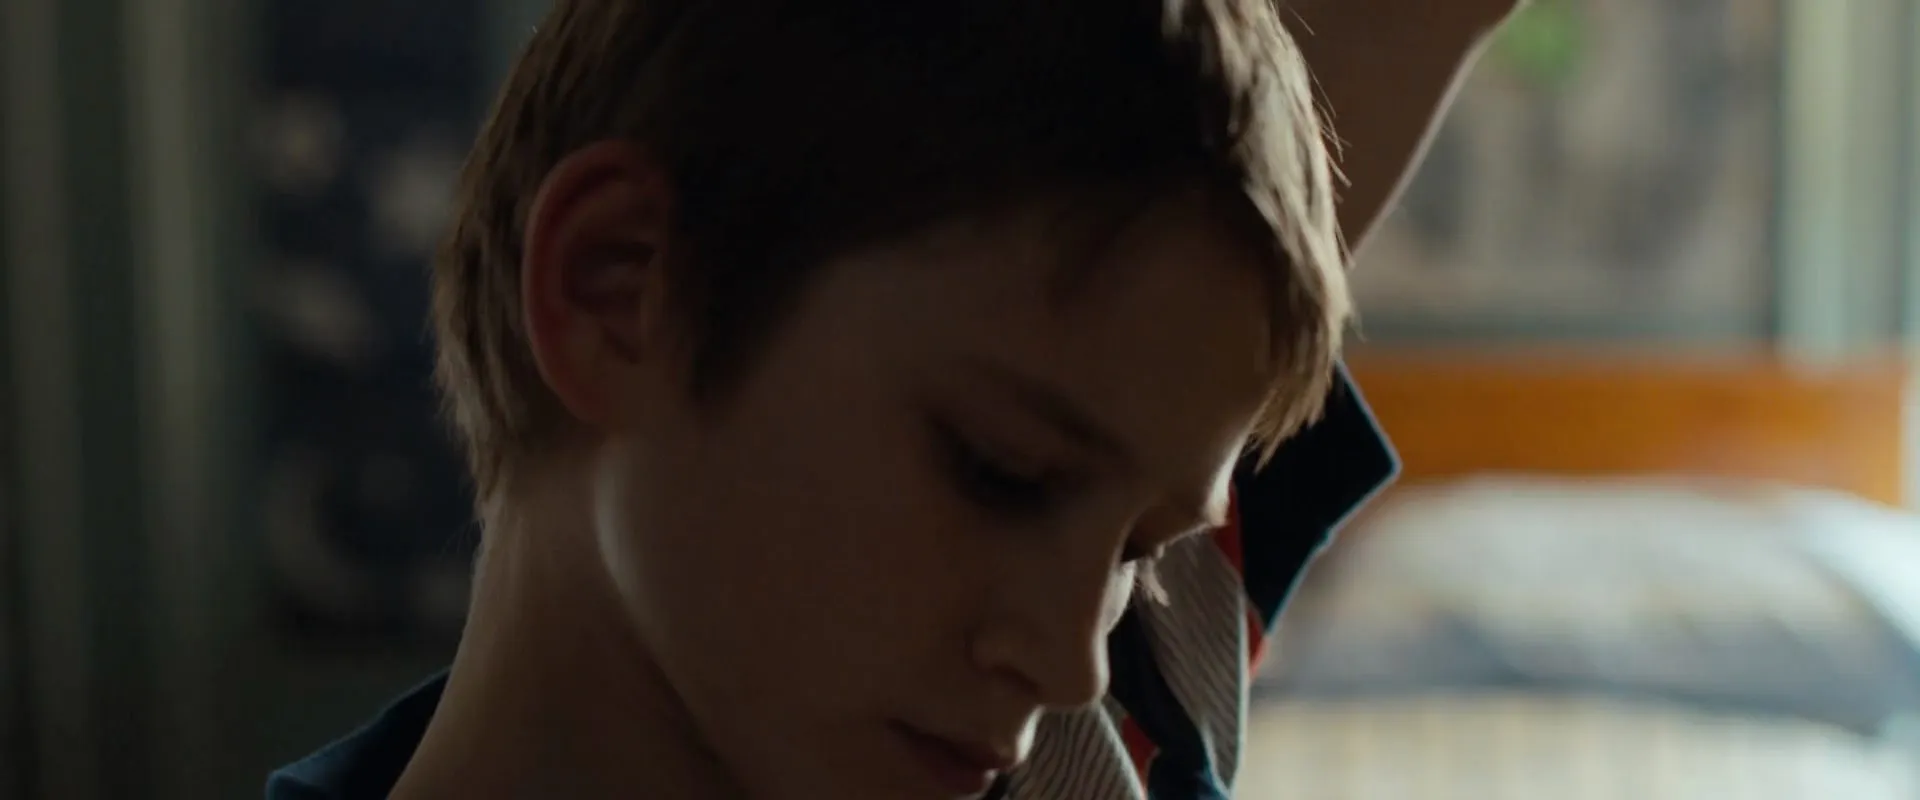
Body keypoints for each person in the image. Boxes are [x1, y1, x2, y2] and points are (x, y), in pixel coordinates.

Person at [267, 0, 1521, 797]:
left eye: (1142, 555)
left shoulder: (1070, 735)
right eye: (1003, 472)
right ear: (618, 285)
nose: (1073, 663)